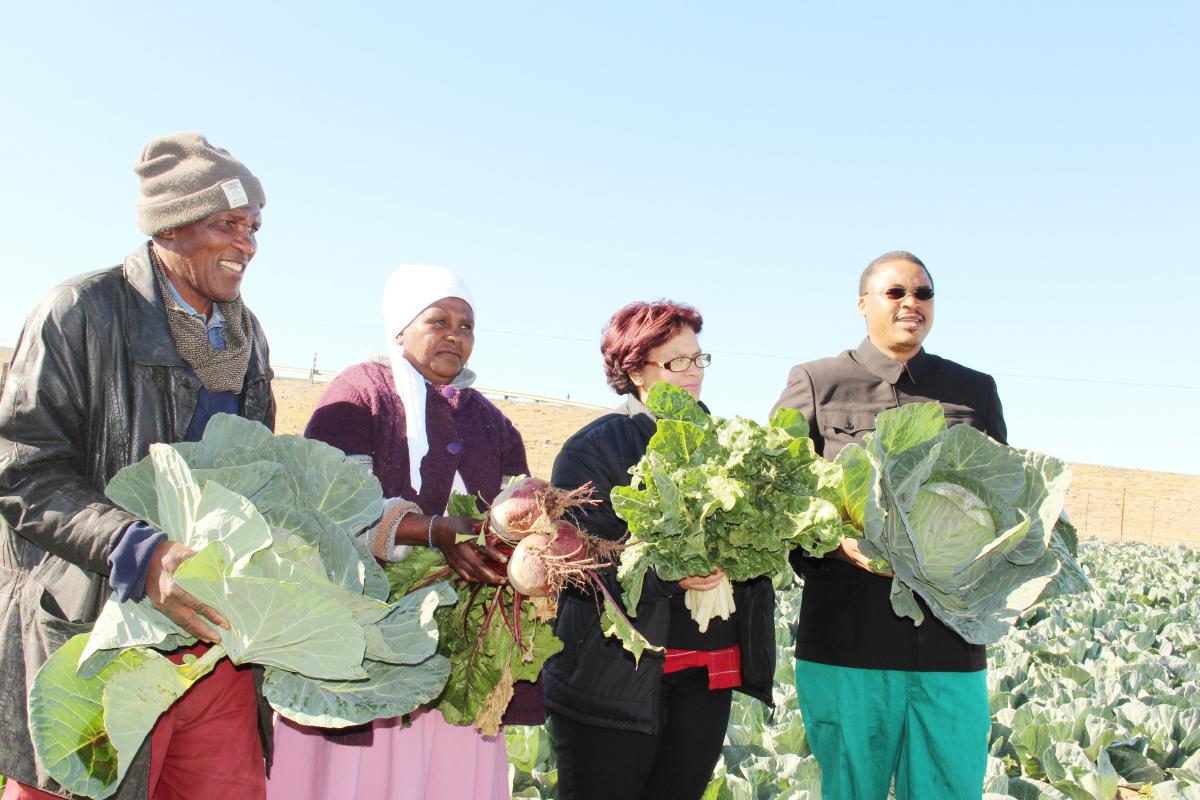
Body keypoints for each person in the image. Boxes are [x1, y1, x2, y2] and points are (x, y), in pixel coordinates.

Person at [0, 133, 274, 799]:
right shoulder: (80, 313)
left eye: (254, 227)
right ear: (171, 227)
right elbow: (21, 469)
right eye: (228, 224)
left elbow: (261, 480)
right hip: (94, 635)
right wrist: (138, 549)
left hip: (210, 647)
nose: (247, 244)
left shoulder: (248, 339)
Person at [266, 264, 538, 800]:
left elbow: (518, 510)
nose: (455, 335)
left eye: (466, 325)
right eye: (438, 320)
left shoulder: (492, 421)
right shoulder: (360, 393)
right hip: (373, 639)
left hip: (464, 646)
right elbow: (327, 510)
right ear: (400, 329)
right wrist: (428, 531)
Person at [771, 250, 1007, 800]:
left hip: (952, 646)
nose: (911, 303)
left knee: (951, 789)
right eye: (896, 292)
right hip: (849, 642)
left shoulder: (975, 391)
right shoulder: (817, 382)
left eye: (923, 294)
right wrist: (836, 542)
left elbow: (1003, 500)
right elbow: (778, 497)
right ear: (863, 304)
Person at [544, 300, 776, 800]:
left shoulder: (728, 443)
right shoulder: (593, 449)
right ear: (634, 371)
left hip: (706, 671)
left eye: (699, 359)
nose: (693, 374)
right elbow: (578, 562)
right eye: (676, 362)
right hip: (613, 678)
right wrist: (670, 572)